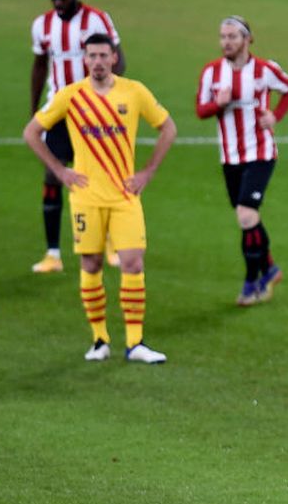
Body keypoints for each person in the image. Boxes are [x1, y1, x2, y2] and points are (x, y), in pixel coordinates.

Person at [23, 33, 177, 364]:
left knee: (133, 263)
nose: (97, 62)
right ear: (85, 59)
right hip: (86, 198)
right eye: (91, 56)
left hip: (125, 196)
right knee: (91, 264)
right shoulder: (71, 95)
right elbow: (31, 132)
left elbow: (169, 128)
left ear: (114, 58)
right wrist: (60, 171)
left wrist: (147, 172)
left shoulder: (134, 92)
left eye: (103, 55)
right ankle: (99, 339)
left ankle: (135, 343)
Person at [196, 15, 288, 306]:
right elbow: (201, 110)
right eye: (223, 37)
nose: (226, 42)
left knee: (245, 214)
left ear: (247, 39)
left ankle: (252, 283)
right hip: (230, 156)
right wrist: (218, 104)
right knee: (248, 218)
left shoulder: (265, 69)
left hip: (261, 153)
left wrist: (275, 116)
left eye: (232, 36)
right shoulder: (212, 72)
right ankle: (270, 268)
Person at [29, 0, 126, 274]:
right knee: (52, 175)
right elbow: (39, 66)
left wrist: (107, 96)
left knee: (101, 176)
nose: (58, 1)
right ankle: (53, 254)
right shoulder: (42, 25)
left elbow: (118, 60)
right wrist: (35, 110)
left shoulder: (96, 20)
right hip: (60, 110)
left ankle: (109, 242)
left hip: (92, 111)